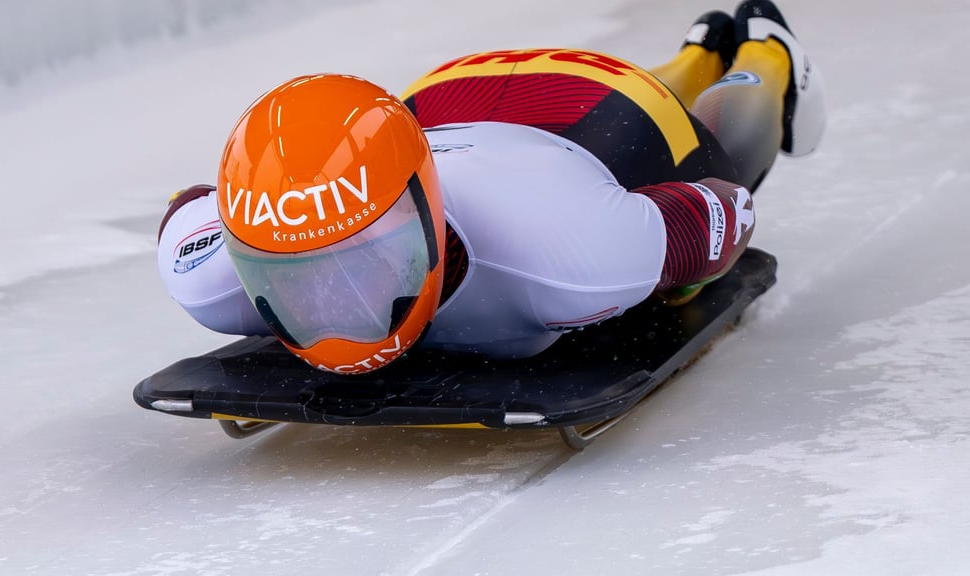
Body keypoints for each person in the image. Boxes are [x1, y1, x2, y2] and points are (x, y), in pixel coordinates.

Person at [158, 0, 825, 374]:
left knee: (724, 156)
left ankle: (765, 49)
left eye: (363, 259)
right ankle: (699, 50)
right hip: (445, 100)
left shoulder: (575, 256)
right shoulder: (210, 266)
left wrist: (674, 279)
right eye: (286, 274)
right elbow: (194, 210)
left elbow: (723, 209)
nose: (332, 304)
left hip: (598, 122)